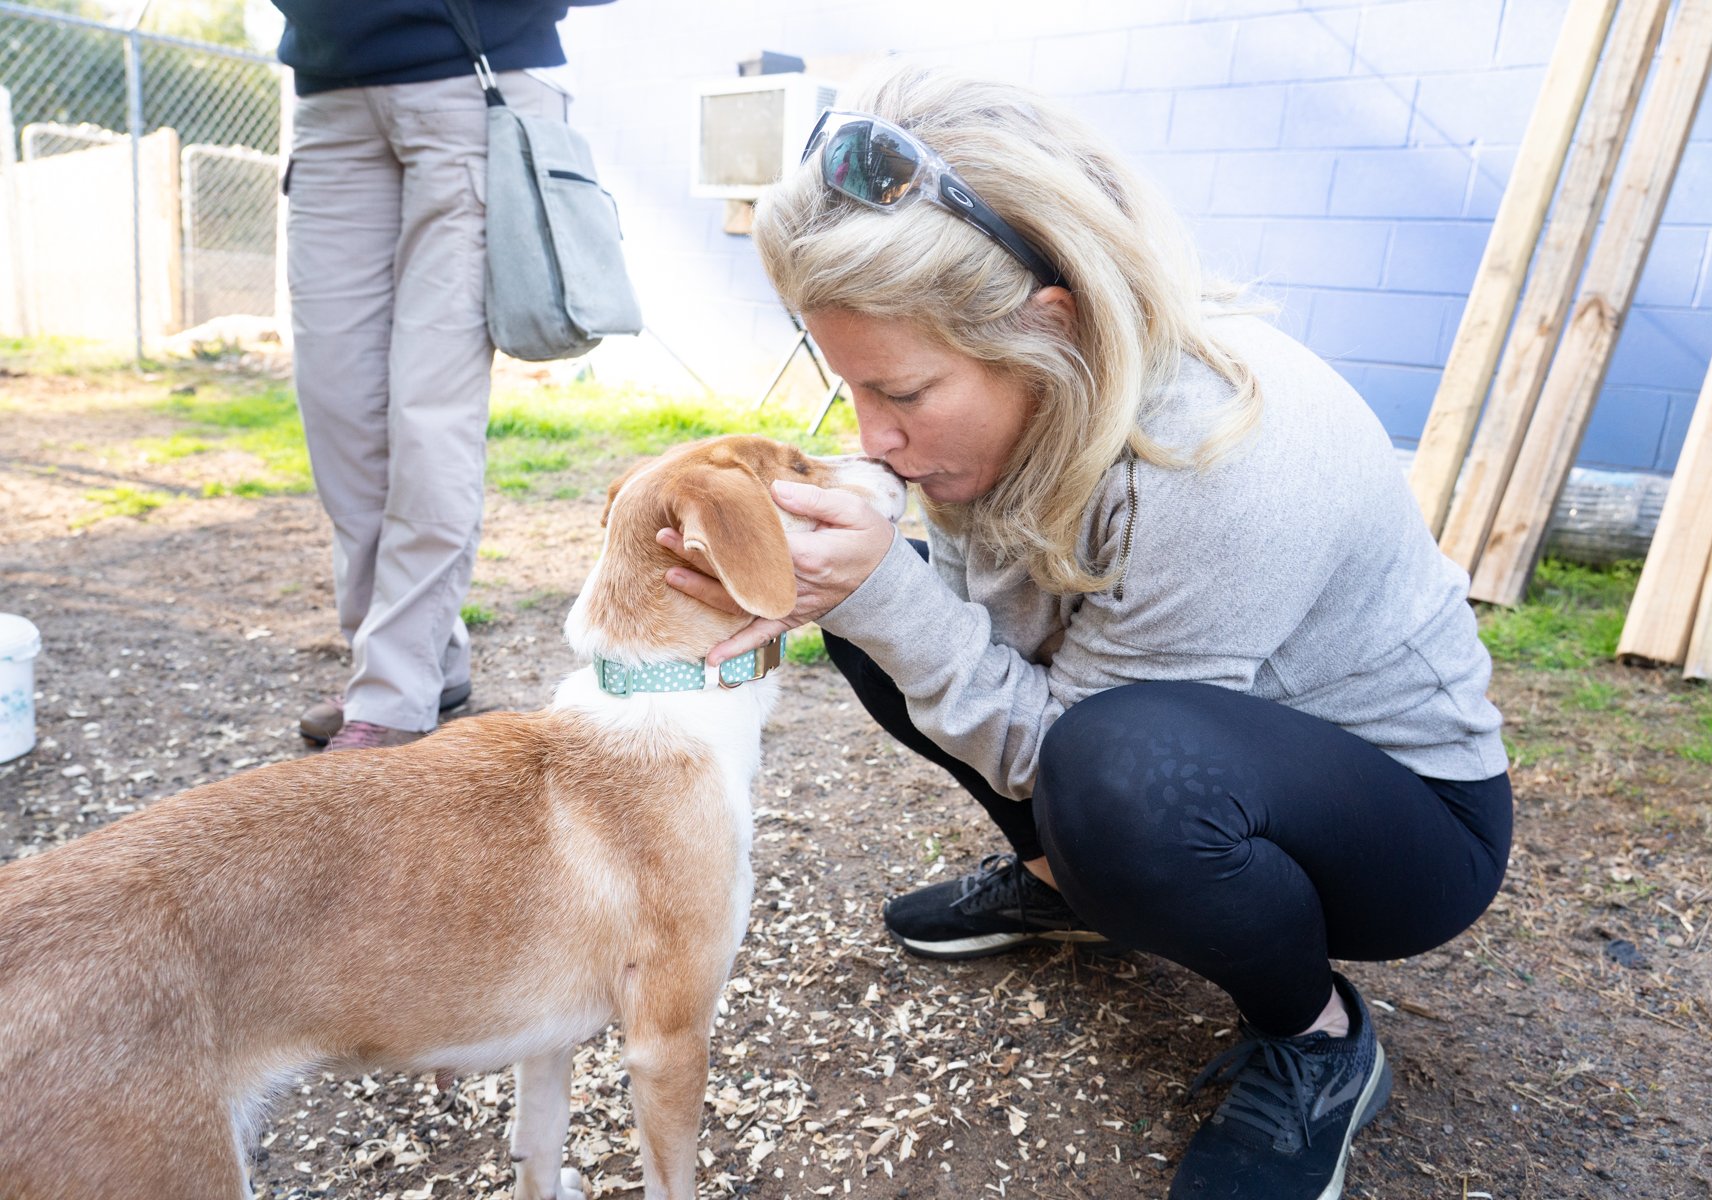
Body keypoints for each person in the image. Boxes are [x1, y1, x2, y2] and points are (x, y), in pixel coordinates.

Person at [660, 66, 1513, 1200]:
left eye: (904, 392)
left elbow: (1069, 738)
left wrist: (885, 595)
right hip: (1178, 749)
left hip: (1406, 826)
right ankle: (1071, 885)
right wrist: (854, 582)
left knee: (1114, 770)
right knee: (882, 612)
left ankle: (1315, 1039)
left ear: (1043, 320)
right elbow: (1000, 650)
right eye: (852, 388)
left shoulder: (1225, 450)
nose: (876, 437)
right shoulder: (1023, 402)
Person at [276, 0, 610, 750]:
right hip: (328, 95)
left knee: (430, 414)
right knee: (341, 412)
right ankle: (417, 659)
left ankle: (392, 696)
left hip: (473, 83)